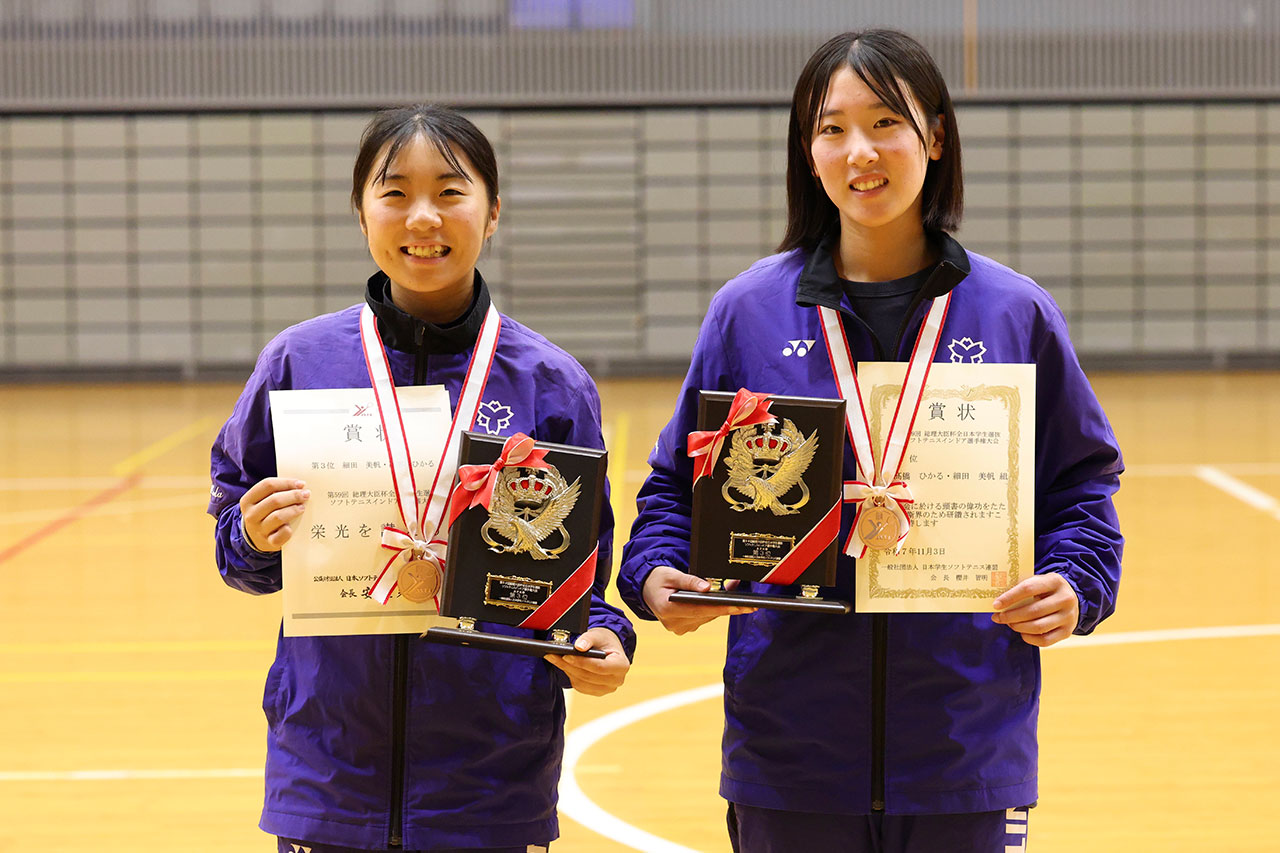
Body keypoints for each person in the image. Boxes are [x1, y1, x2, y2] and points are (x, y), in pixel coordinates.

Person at [617, 29, 1122, 853]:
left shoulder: (1014, 312)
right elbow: (676, 486)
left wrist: (1076, 580)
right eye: (833, 128)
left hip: (967, 743)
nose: (861, 151)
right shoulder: (748, 312)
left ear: (936, 136)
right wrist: (658, 571)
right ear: (807, 150)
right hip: (789, 748)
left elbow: (1080, 486)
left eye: (886, 121)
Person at [208, 104, 634, 853]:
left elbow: (580, 577)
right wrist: (250, 535)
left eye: (450, 191)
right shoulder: (298, 364)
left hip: (492, 778)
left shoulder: (551, 384)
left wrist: (604, 634)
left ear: (492, 213)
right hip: (328, 772)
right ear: (361, 212)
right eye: (395, 192)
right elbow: (238, 550)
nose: (423, 217)